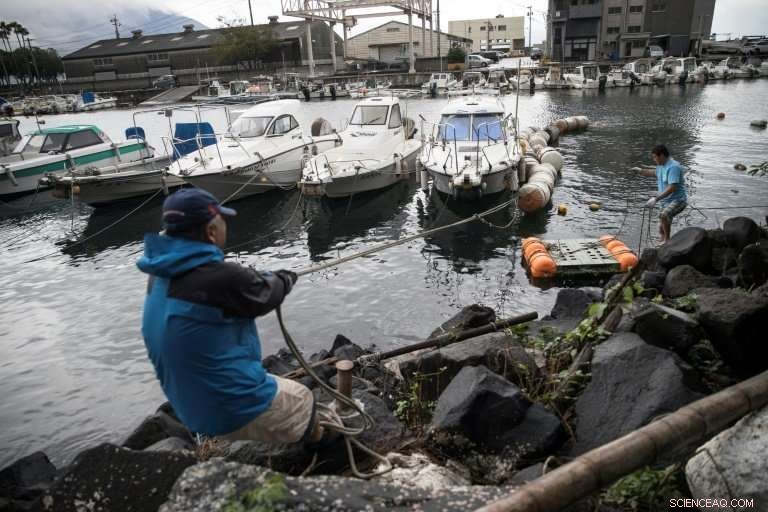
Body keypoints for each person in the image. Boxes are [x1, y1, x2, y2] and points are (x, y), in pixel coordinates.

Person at [137, 188, 323, 445]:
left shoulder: (158, 276)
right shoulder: (222, 278)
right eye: (222, 220)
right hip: (230, 411)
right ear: (211, 232)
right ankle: (326, 448)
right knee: (304, 400)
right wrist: (285, 278)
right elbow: (267, 293)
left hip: (190, 410)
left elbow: (233, 287)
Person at [634, 144, 688, 243]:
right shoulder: (661, 166)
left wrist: (656, 199)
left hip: (678, 200)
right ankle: (662, 242)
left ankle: (667, 241)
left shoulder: (673, 167)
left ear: (662, 155)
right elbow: (652, 173)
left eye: (655, 157)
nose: (654, 159)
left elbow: (672, 187)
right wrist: (640, 171)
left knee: (664, 215)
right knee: (661, 228)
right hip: (665, 201)